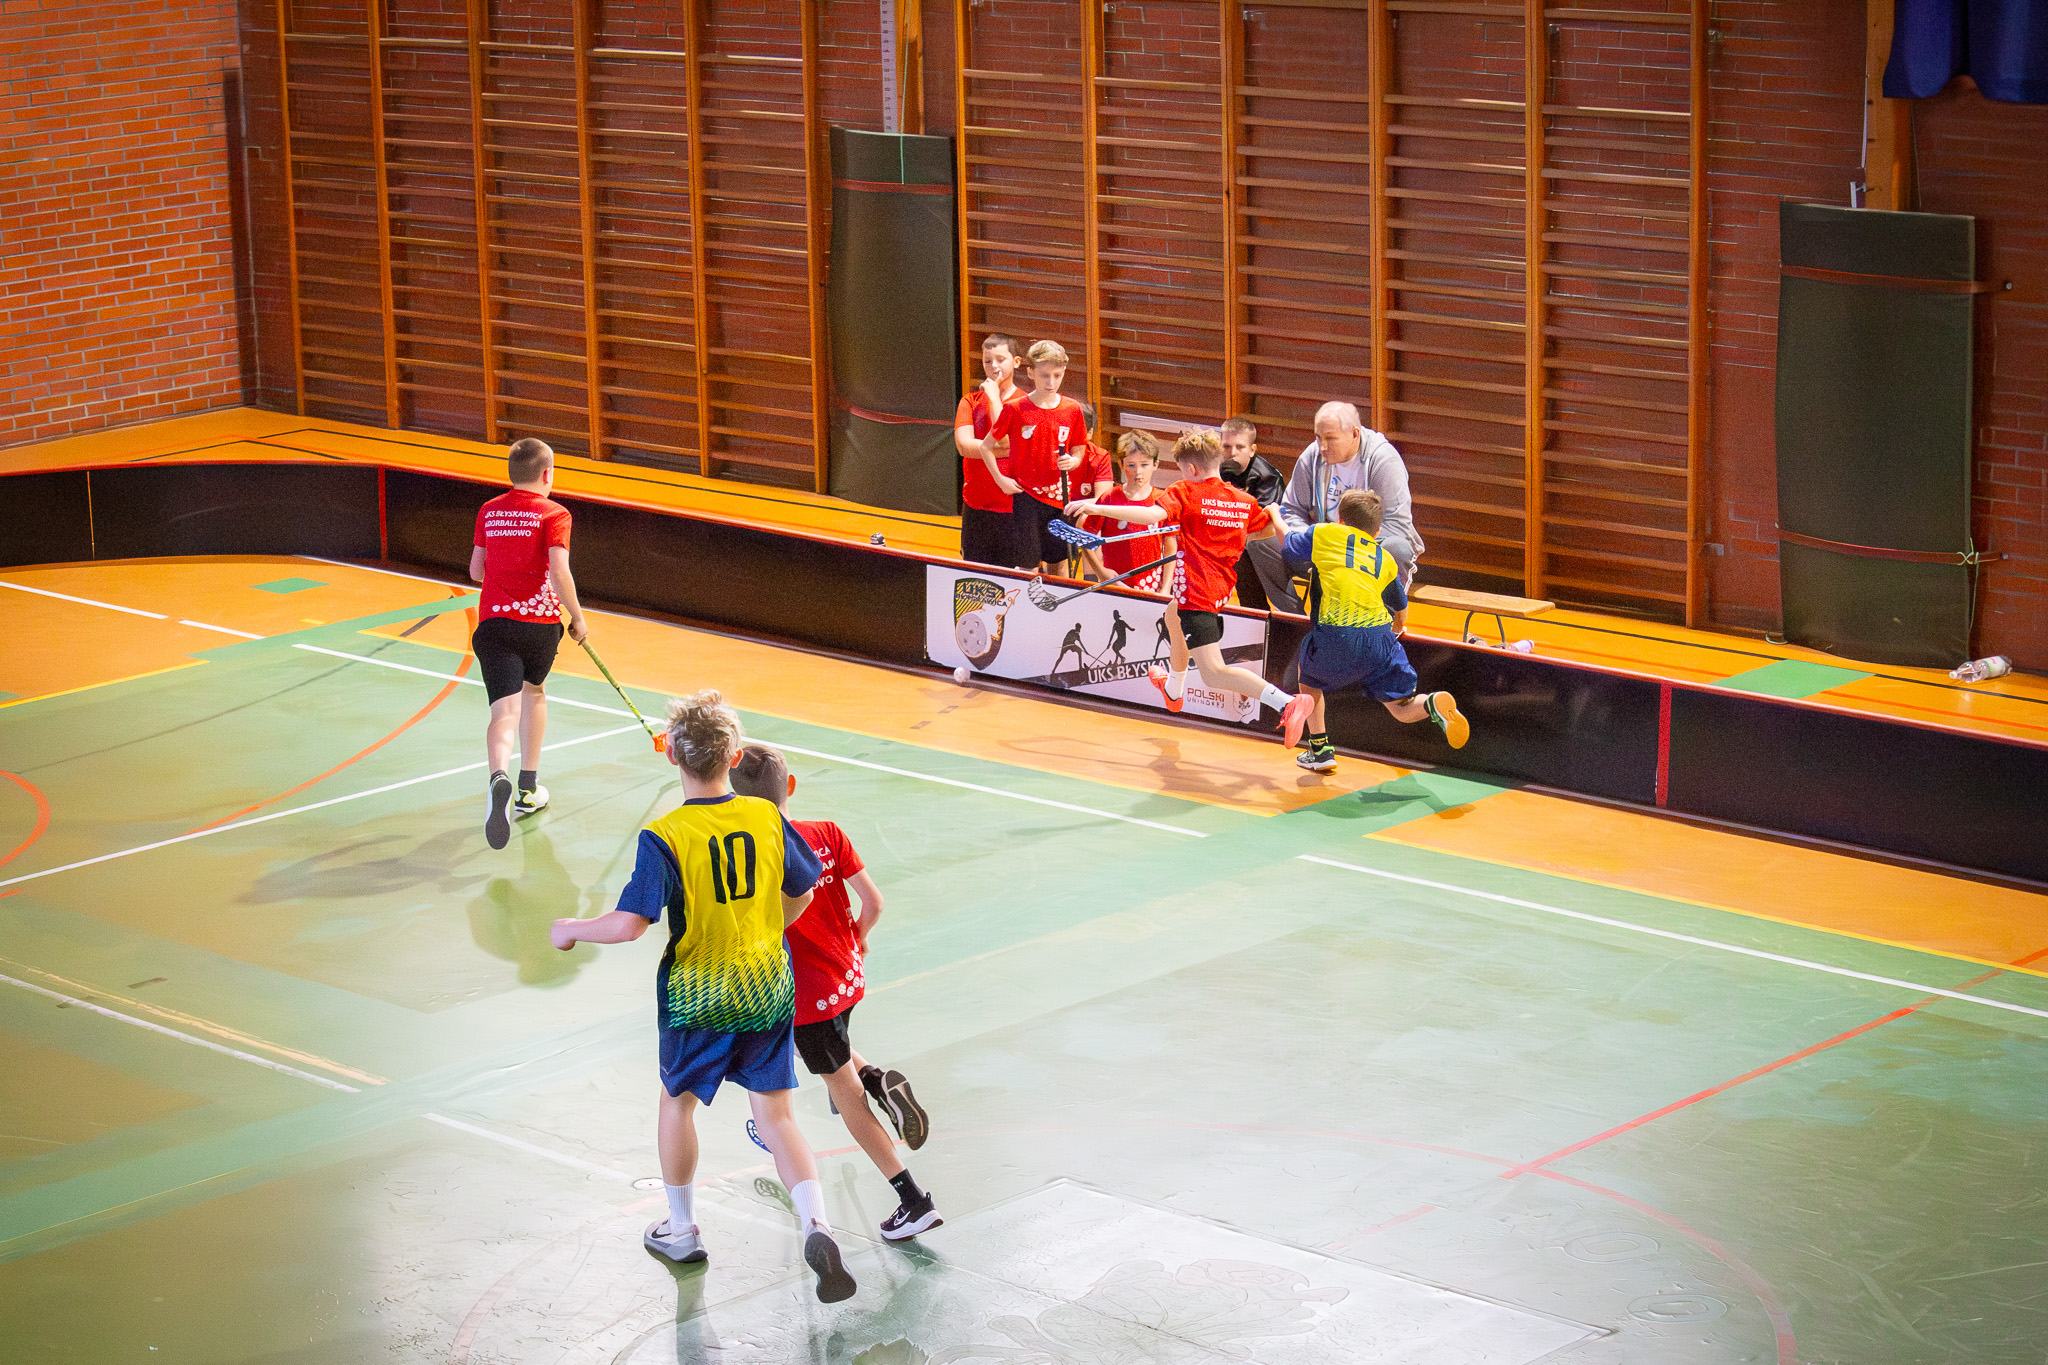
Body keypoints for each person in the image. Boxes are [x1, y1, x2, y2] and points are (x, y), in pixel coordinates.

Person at [547, 692, 858, 1304]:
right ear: (733, 756)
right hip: (768, 986)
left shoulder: (665, 835)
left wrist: (572, 929)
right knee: (777, 1116)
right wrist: (765, 931)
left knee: (677, 1103)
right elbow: (802, 890)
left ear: (671, 756)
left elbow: (630, 925)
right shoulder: (766, 817)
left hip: (699, 996)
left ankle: (682, 1229)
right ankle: (817, 1225)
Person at [728, 743, 943, 1241]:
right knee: (834, 1050)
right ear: (791, 786)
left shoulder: (754, 856)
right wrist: (858, 937)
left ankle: (913, 1201)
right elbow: (874, 902)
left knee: (843, 1093)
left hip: (804, 994)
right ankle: (877, 1079)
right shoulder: (827, 833)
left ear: (737, 802)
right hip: (845, 976)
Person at [1066, 430, 1315, 746]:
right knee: (1172, 617)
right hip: (1219, 587)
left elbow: (1152, 515)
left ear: (1192, 469)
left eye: (1183, 469)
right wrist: (1239, 530)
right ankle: (1174, 690)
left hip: (1197, 593)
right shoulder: (1243, 501)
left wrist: (1097, 508)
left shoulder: (1184, 491)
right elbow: (1262, 528)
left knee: (1214, 673)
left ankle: (1287, 703)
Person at [1287, 490, 1468, 773]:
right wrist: (1397, 628)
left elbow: (1287, 545)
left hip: (1338, 635)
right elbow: (1400, 607)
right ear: (1378, 530)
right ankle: (1430, 704)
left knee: (1308, 676)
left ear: (1340, 519)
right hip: (1380, 639)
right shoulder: (1385, 558)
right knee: (1401, 706)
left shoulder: (1326, 534)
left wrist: (1274, 515)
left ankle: (1320, 750)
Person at [470, 437, 587, 850]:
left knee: (503, 712)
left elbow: (476, 571)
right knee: (533, 693)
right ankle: (527, 788)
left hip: (494, 626)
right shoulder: (555, 513)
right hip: (538, 628)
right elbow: (558, 570)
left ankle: (497, 776)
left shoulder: (489, 510)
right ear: (547, 474)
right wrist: (577, 617)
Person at [1246, 402, 1423, 616]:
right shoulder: (1312, 455)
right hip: (1322, 547)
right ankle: (1293, 620)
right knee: (1260, 541)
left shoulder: (1384, 460)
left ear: (1355, 434)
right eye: (1318, 437)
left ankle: (1383, 622)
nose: (1322, 446)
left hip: (1365, 551)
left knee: (1398, 548)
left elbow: (1396, 525)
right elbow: (1291, 510)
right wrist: (1315, 542)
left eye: (1330, 438)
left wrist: (1344, 550)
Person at [985, 340, 1090, 576]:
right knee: (1028, 565)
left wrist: (1074, 461)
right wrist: (1001, 480)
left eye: (1057, 375)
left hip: (1059, 497)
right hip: (1027, 498)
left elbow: (1079, 447)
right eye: (1045, 375)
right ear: (1031, 372)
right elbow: (986, 447)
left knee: (1058, 562)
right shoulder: (1015, 408)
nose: (1051, 382)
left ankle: (1057, 601)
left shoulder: (1072, 409)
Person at [953, 333, 1032, 568]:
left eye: (1000, 359)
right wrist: (1003, 448)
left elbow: (1004, 439)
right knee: (976, 577)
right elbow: (964, 446)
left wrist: (995, 398)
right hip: (976, 508)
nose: (993, 366)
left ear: (1016, 362)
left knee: (1012, 579)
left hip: (1013, 509)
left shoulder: (1026, 403)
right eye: (988, 361)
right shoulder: (970, 401)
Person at [1079, 431, 1174, 594]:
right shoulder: (1109, 498)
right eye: (1131, 465)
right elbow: (1084, 538)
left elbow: (1170, 548)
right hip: (1114, 585)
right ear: (1121, 464)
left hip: (1151, 587)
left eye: (1144, 465)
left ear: (1155, 464)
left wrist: (1165, 588)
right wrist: (1101, 572)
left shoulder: (1162, 500)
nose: (1138, 472)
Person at [1215, 417, 1286, 611]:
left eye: (1240, 447)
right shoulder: (1217, 470)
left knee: (1242, 553)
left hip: (1266, 540)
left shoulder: (1268, 477)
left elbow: (1263, 523)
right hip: (1231, 535)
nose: (1232, 453)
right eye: (1227, 446)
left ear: (1252, 449)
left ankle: (1257, 612)